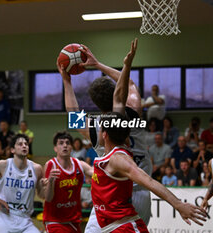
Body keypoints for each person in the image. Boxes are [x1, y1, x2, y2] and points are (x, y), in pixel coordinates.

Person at [59, 39, 153, 231]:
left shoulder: (96, 128)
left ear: (95, 104)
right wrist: (97, 64)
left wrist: (67, 81)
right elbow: (131, 84)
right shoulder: (134, 111)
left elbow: (73, 113)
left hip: (113, 194)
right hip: (142, 194)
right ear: (117, 93)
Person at [92, 113, 207, 232]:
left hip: (124, 226)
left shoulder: (118, 158)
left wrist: (178, 204)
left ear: (104, 134)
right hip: (110, 226)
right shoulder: (108, 157)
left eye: (99, 129)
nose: (97, 132)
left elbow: (149, 181)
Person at [43, 131, 93, 233]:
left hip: (73, 220)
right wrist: (51, 181)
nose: (65, 145)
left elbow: (96, 173)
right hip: (54, 221)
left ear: (71, 147)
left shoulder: (79, 164)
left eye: (67, 143)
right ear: (55, 148)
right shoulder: (51, 165)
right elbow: (48, 198)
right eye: (61, 143)